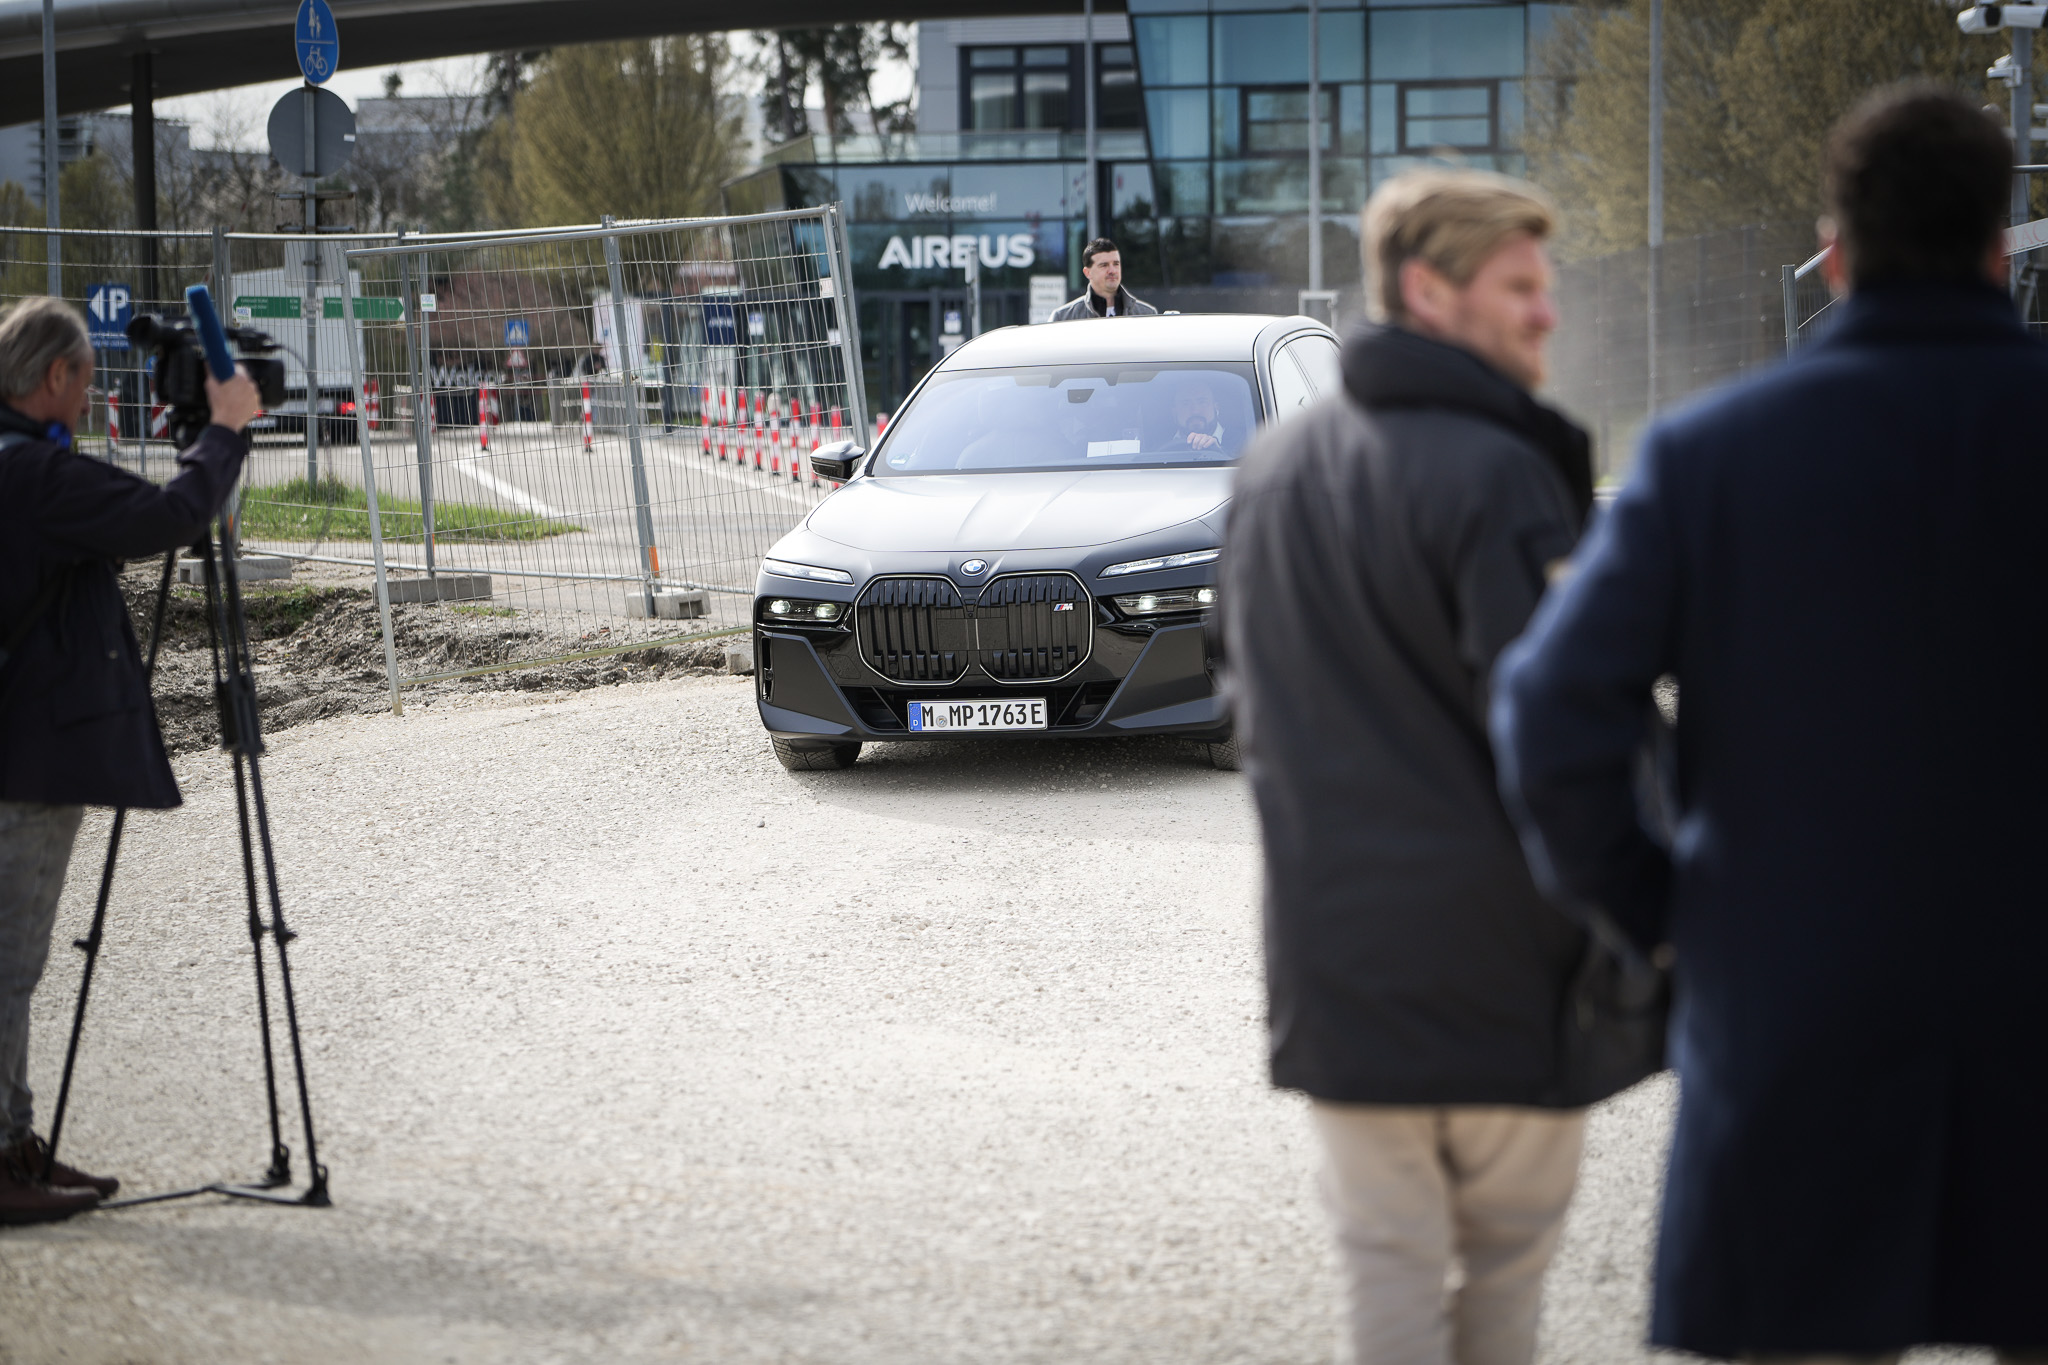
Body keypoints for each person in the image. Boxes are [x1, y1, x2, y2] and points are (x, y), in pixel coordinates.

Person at [1491, 85, 2048, 1362]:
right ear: (1995, 250)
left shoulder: (1711, 456)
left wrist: (1661, 909)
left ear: (1834, 255)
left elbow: (1550, 708)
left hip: (1794, 1006)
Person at [1221, 168, 1596, 1365]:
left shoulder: (1269, 470)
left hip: (1333, 961)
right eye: (1520, 288)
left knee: (1381, 1269)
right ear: (1430, 292)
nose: (1545, 313)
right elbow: (1562, 731)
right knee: (1504, 1272)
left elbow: (1248, 712)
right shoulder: (1500, 472)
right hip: (1497, 966)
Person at [0, 295, 261, 1225]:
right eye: (82, 378)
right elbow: (169, 515)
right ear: (53, 376)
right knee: (10, 964)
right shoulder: (33, 473)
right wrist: (224, 430)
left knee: (14, 962)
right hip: (25, 758)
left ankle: (16, 1144)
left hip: (21, 744)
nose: (89, 394)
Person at [1049, 238, 1158, 320]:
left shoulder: (1147, 315)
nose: (1112, 270)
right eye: (1104, 265)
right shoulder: (1062, 318)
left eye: (1116, 264)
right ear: (1087, 273)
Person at [1166, 378, 1225, 451]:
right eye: (1185, 403)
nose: (1195, 411)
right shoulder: (1157, 445)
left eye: (1202, 402)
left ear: (1216, 408)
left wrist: (1220, 450)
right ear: (1174, 412)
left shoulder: (1238, 442)